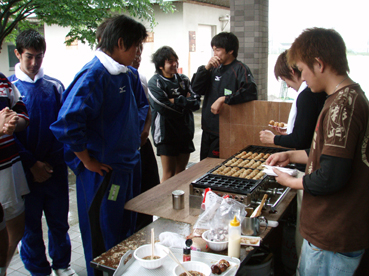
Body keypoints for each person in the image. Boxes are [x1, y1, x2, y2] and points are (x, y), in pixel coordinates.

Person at [50, 15, 149, 276]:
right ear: (119, 43)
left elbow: (141, 107)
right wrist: (86, 160)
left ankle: (123, 271)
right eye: (136, 46)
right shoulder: (94, 75)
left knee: (124, 230)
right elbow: (67, 123)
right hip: (103, 173)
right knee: (103, 231)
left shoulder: (126, 73)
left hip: (126, 167)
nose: (139, 53)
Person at [266, 27, 369, 276]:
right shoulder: (347, 97)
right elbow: (330, 155)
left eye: (301, 70)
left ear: (319, 64)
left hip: (332, 237)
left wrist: (291, 181)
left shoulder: (341, 106)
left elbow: (331, 177)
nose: (301, 78)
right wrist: (291, 156)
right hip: (333, 234)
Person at [8, 29, 76, 276]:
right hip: (24, 173)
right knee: (30, 227)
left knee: (59, 223)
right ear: (18, 54)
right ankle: (39, 270)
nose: (34, 62)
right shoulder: (9, 89)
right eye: (29, 56)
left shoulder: (55, 87)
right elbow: (8, 136)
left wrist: (51, 163)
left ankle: (62, 265)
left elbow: (64, 127)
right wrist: (31, 164)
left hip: (54, 170)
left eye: (39, 56)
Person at [191, 32, 257, 160]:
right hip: (208, 128)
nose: (215, 53)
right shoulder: (213, 69)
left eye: (218, 50)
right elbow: (196, 89)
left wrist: (224, 99)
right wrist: (206, 68)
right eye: (213, 50)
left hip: (227, 129)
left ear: (231, 50)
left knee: (217, 166)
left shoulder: (240, 69)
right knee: (203, 165)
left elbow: (250, 91)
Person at [260, 50, 326, 169]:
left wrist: (274, 139)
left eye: (285, 80)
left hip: (310, 166)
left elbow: (299, 140)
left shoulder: (307, 95)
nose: (288, 86)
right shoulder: (319, 93)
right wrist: (290, 132)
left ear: (292, 70)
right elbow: (308, 132)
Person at [148, 46, 200, 182]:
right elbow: (163, 107)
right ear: (160, 65)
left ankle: (178, 202)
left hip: (184, 132)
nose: (174, 64)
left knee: (181, 173)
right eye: (170, 61)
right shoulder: (155, 83)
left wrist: (175, 100)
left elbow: (195, 102)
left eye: (175, 60)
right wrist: (185, 103)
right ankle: (165, 202)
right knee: (169, 175)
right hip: (166, 134)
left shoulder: (183, 80)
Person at [0, 73, 29, 276]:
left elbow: (22, 114)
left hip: (8, 166)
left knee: (16, 228)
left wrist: (12, 122)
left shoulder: (3, 81)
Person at [131, 44, 160, 230]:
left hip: (143, 144)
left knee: (149, 187)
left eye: (140, 53)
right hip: (126, 150)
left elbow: (147, 108)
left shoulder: (140, 78)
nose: (138, 57)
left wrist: (146, 130)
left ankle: (146, 229)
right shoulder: (108, 78)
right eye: (135, 53)